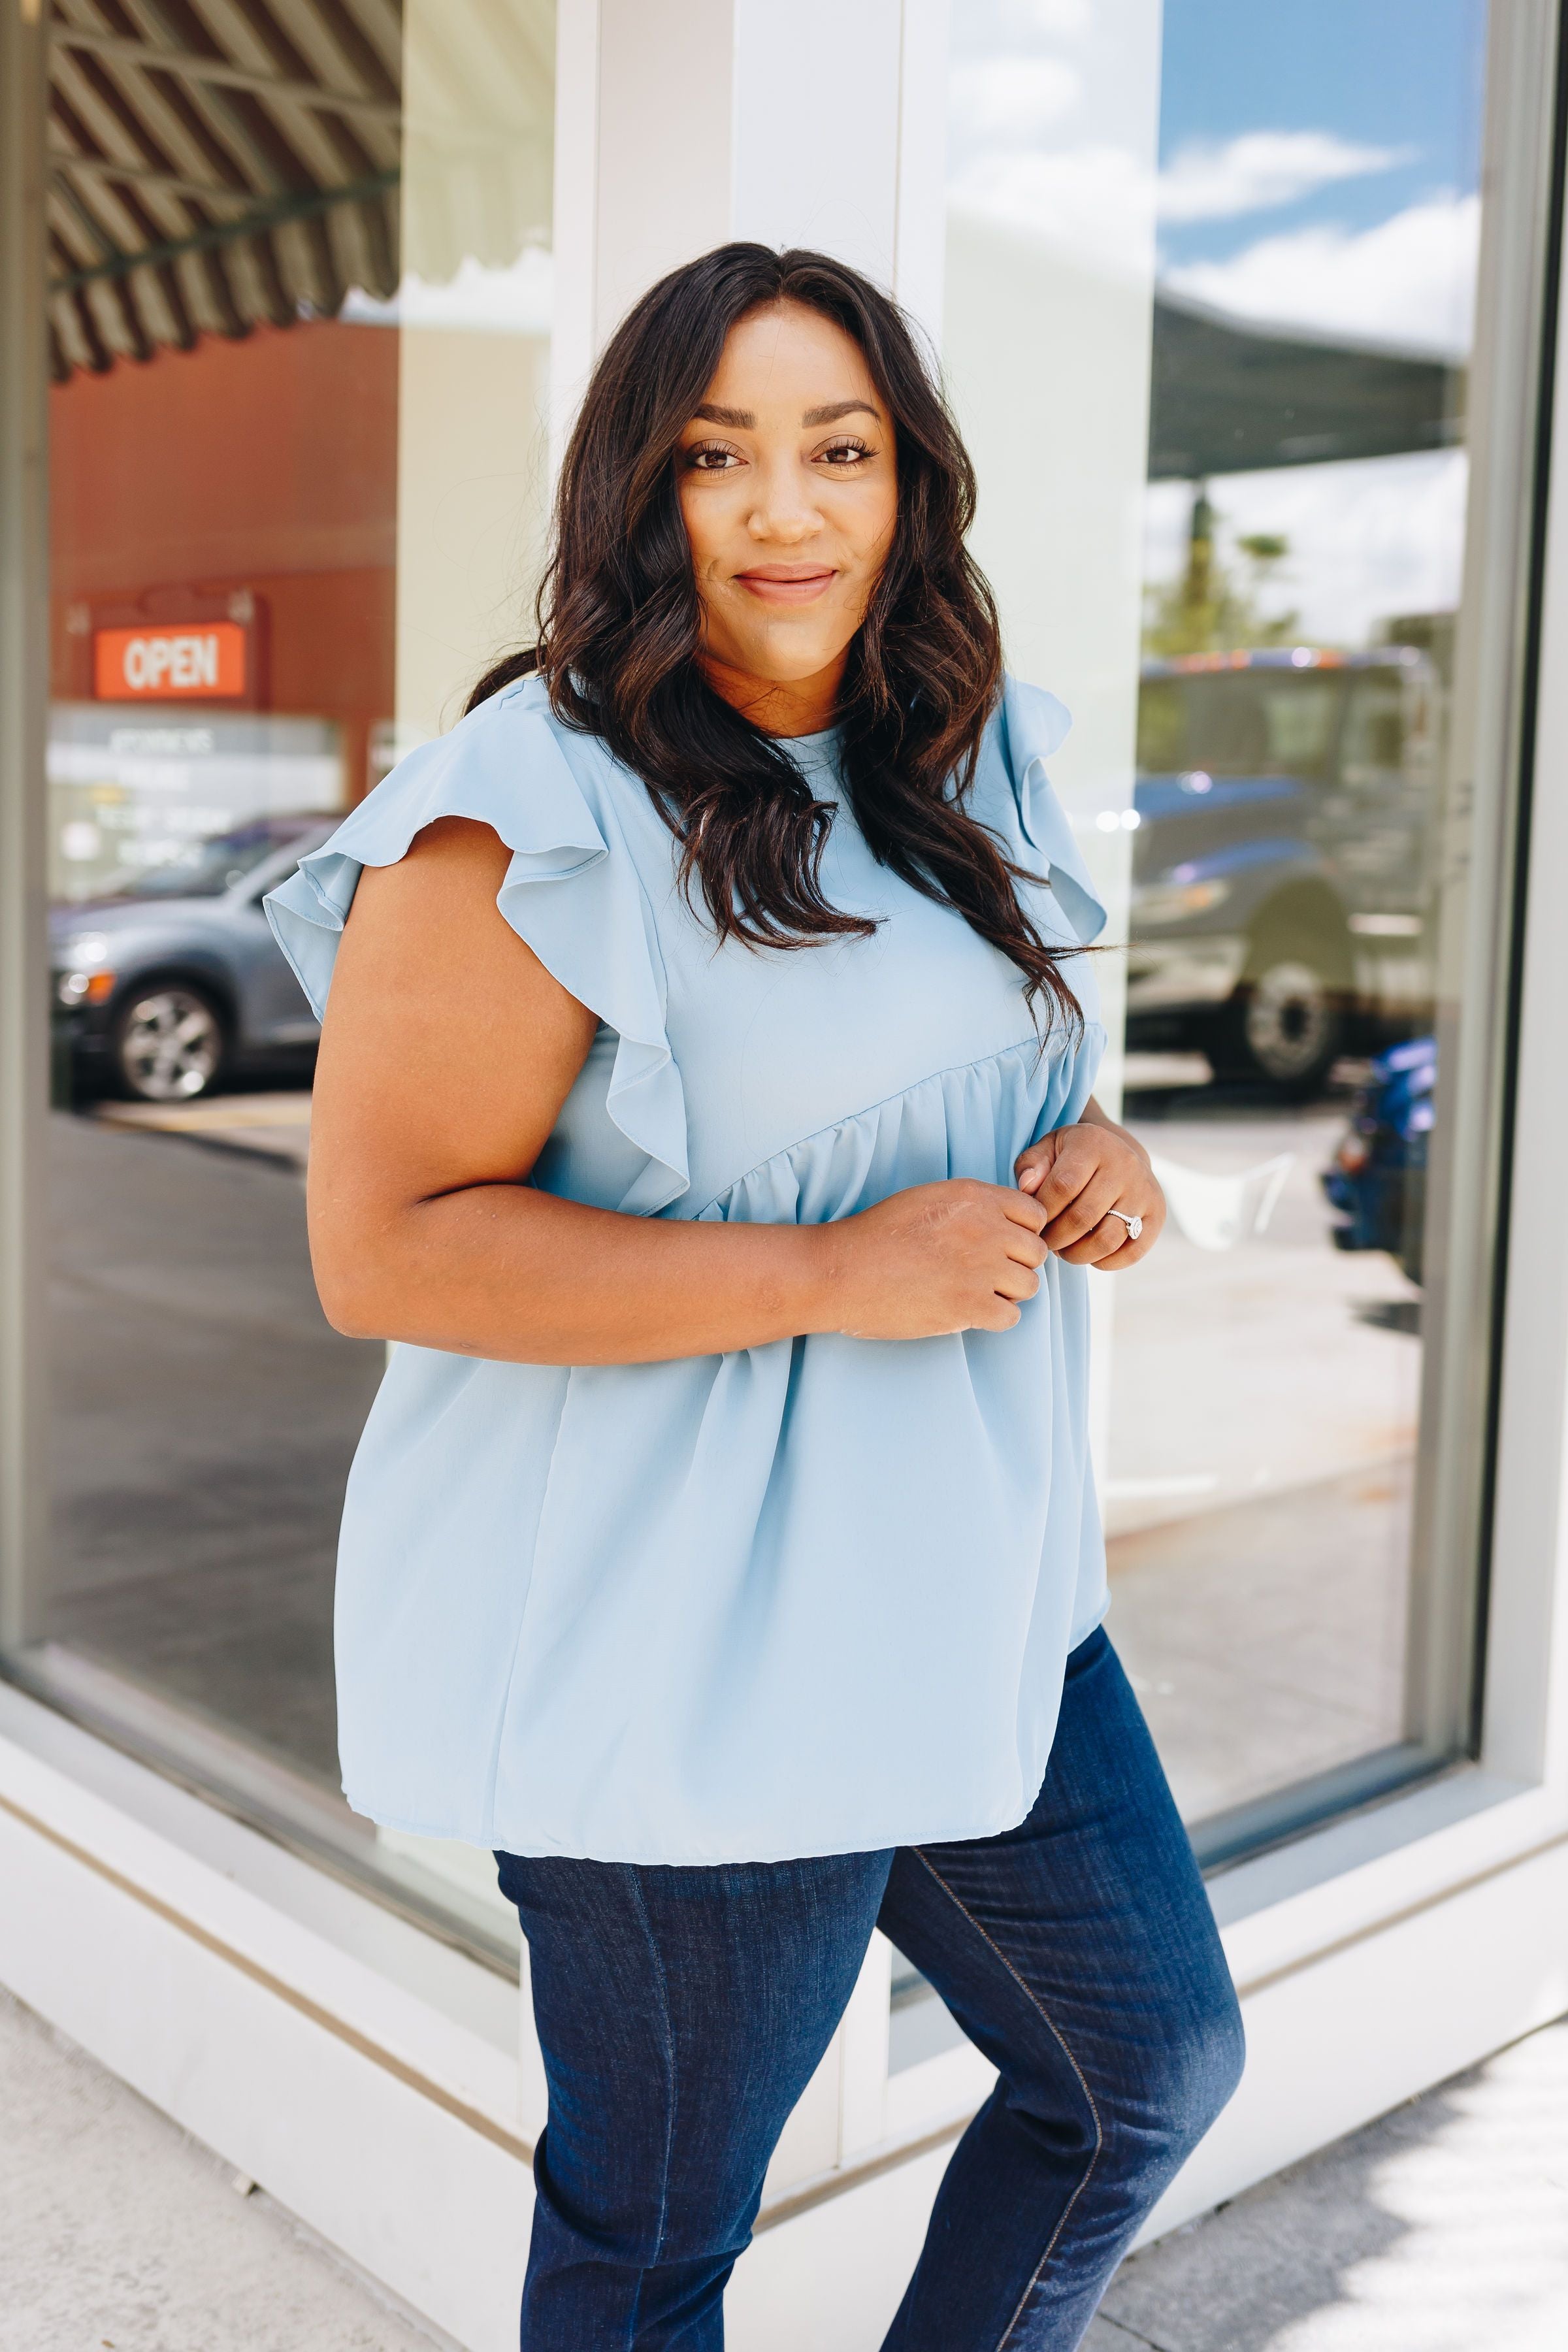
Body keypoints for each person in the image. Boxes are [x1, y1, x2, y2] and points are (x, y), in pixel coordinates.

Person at [267, 243, 1243, 2351]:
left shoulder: (962, 758)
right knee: (656, 2246)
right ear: (642, 489)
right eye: (720, 458)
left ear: (910, 486)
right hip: (679, 1636)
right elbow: (389, 1248)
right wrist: (829, 1271)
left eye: (839, 450)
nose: (788, 511)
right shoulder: (529, 812)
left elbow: (1004, 1077)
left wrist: (1099, 1164)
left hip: (981, 1590)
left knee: (1139, 2071)